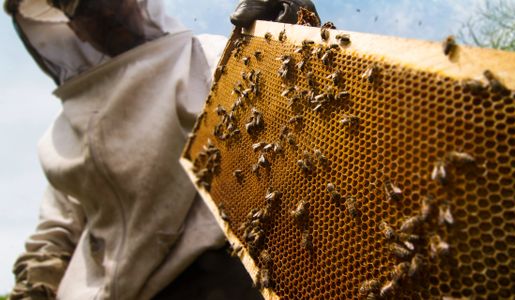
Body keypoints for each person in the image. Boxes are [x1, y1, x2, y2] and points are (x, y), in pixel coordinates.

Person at [3, 0, 319, 299]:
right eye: (83, 8)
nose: (104, 14)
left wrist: (297, 39)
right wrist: (33, 288)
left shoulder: (208, 58)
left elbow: (291, 127)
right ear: (75, 28)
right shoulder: (66, 136)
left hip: (220, 279)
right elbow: (55, 233)